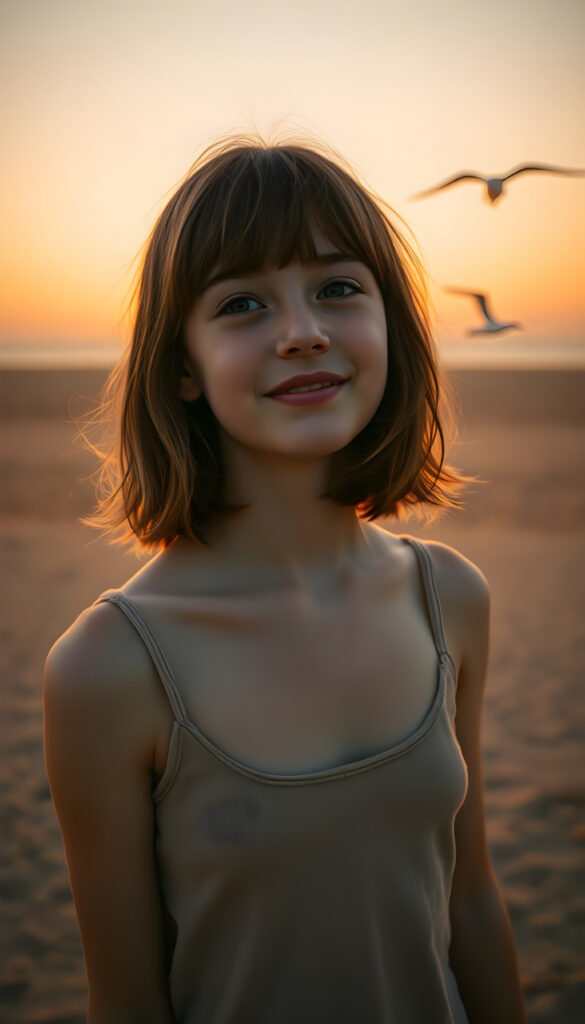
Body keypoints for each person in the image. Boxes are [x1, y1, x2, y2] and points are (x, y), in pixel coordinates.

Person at [43, 134, 526, 1024]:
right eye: (241, 304)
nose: (303, 332)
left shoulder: (450, 597)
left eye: (338, 288)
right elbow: (126, 999)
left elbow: (467, 903)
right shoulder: (109, 666)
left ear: (390, 324)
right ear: (181, 365)